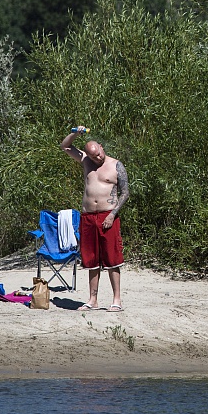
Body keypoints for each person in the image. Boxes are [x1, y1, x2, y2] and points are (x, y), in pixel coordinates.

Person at [61, 126, 130, 312]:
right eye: (93, 156)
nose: (97, 158)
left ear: (101, 147)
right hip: (88, 217)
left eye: (98, 154)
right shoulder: (86, 161)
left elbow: (125, 193)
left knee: (112, 259)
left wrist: (112, 214)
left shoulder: (116, 165)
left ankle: (117, 300)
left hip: (108, 216)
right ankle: (93, 300)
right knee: (91, 260)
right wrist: (76, 133)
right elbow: (65, 146)